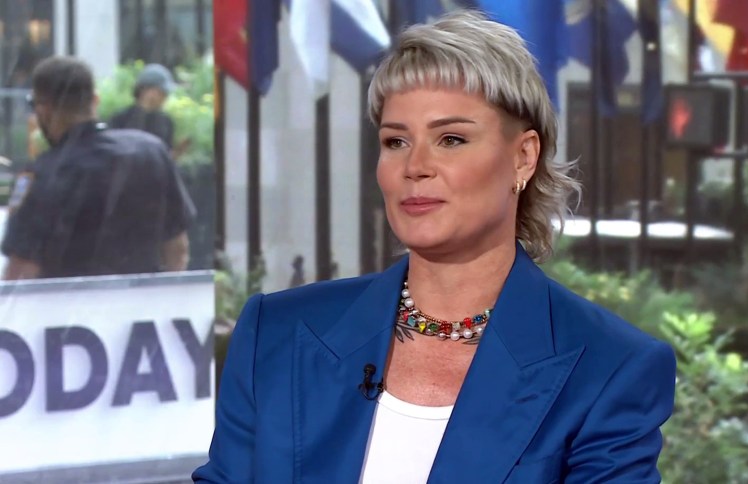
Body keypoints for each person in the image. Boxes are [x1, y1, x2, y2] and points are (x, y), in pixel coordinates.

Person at [193, 11, 675, 483]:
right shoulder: (275, 335)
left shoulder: (610, 369)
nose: (415, 166)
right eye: (396, 142)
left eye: (451, 139)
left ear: (523, 157)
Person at [1, 56, 197, 280]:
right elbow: (178, 251)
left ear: (42, 110)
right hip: (143, 302)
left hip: (67, 302)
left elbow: (20, 274)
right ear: (95, 100)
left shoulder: (40, 175)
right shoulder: (152, 153)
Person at [109, 63, 184, 154]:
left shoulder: (166, 122)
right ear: (146, 90)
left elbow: (165, 154)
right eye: (162, 92)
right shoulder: (120, 119)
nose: (165, 97)